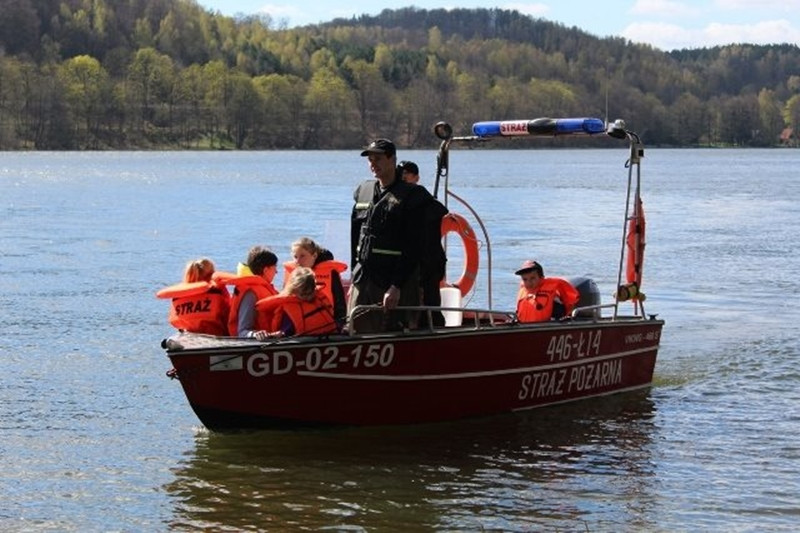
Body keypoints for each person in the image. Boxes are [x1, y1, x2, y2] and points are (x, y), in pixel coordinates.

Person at [349, 139, 430, 333]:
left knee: (390, 333)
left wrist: (396, 286)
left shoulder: (412, 195)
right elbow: (355, 237)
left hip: (391, 281)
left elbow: (414, 246)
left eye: (378, 158)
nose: (373, 164)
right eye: (370, 159)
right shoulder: (363, 191)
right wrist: (354, 277)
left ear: (392, 160)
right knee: (355, 332)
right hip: (363, 279)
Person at [399, 160, 448, 328]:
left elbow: (441, 212)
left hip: (429, 262)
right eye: (401, 175)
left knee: (430, 302)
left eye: (407, 175)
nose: (403, 178)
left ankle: (436, 330)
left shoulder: (425, 201)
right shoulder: (399, 201)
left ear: (416, 177)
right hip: (414, 261)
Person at [255, 266, 338, 339]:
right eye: (303, 292)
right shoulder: (289, 309)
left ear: (314, 288)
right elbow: (284, 333)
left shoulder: (320, 299)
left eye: (309, 291)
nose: (307, 295)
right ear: (293, 289)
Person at [283, 237, 348, 329]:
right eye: (295, 257)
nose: (298, 261)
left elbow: (339, 301)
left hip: (326, 321)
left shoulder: (330, 272)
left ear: (314, 256)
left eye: (302, 256)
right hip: (299, 323)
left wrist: (340, 324)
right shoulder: (292, 273)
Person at [156, 257, 230, 336]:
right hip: (217, 336)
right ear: (212, 274)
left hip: (188, 336)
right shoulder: (217, 291)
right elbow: (229, 316)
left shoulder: (180, 294)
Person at [225, 245, 279, 338]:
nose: (277, 272)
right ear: (266, 270)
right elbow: (242, 331)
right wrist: (256, 335)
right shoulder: (250, 294)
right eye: (275, 267)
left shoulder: (265, 288)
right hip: (254, 345)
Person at [515, 260, 580, 322]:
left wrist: (569, 315)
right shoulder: (522, 291)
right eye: (525, 279)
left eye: (533, 278)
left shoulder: (552, 287)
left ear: (541, 277)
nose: (529, 282)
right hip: (523, 327)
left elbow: (571, 299)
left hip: (544, 327)